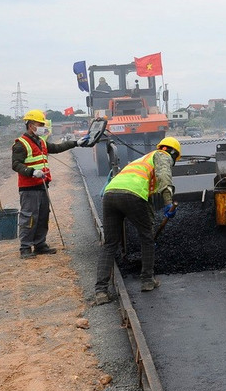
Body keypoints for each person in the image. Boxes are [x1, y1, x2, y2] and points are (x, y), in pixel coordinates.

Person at [94, 136, 181, 304]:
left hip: (110, 195)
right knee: (146, 239)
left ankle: (101, 291)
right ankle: (147, 280)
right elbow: (164, 176)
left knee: (110, 244)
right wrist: (169, 203)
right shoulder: (163, 155)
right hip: (132, 195)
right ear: (173, 153)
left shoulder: (141, 160)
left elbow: (146, 199)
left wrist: (149, 221)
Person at [11, 109, 89, 259]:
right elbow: (16, 164)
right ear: (30, 125)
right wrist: (31, 171)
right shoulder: (21, 144)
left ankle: (40, 245)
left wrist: (76, 143)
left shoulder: (41, 142)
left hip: (42, 185)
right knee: (29, 217)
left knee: (42, 215)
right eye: (39, 124)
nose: (42, 126)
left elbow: (57, 148)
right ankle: (25, 248)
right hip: (29, 187)